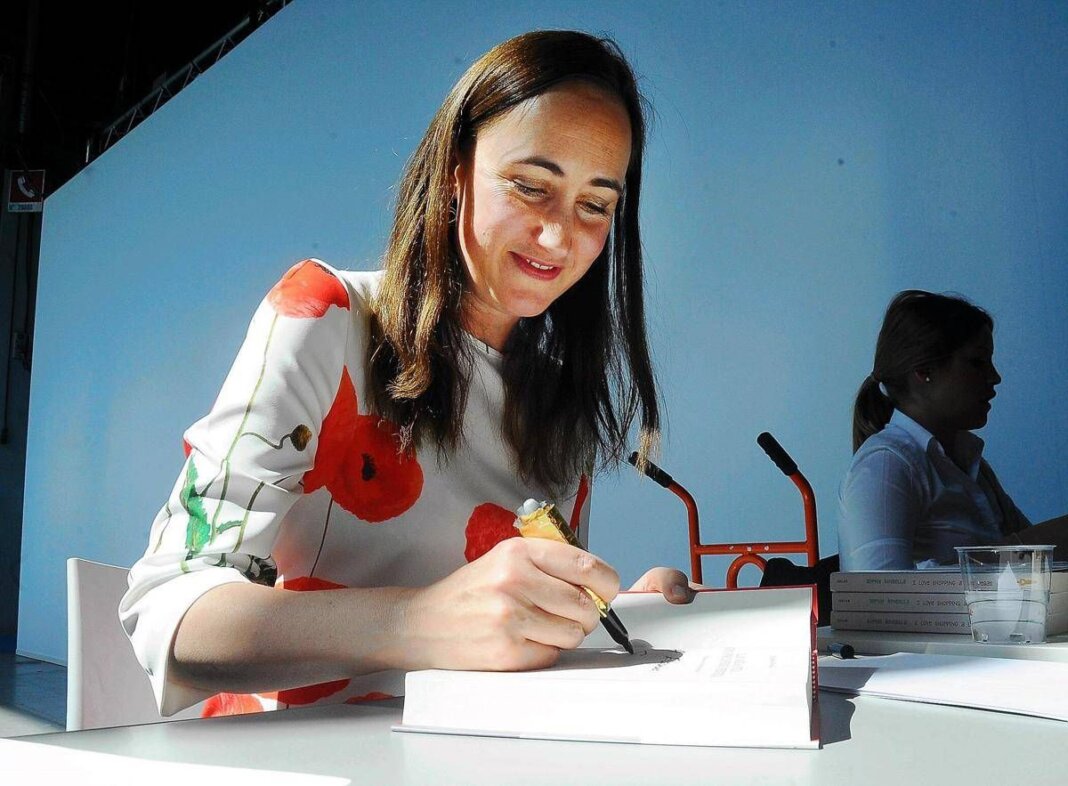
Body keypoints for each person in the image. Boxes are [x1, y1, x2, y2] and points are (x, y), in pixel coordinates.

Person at [120, 30, 694, 718]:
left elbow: (499, 636)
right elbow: (167, 611)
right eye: (530, 186)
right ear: (455, 171)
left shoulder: (559, 401)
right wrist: (417, 621)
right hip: (296, 753)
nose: (558, 236)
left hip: (471, 750)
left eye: (595, 205)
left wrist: (597, 612)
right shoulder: (326, 318)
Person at [838, 290, 1068, 571]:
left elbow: (1036, 562)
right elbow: (878, 590)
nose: (995, 377)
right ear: (924, 371)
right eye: (977, 362)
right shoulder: (886, 466)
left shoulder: (972, 465)